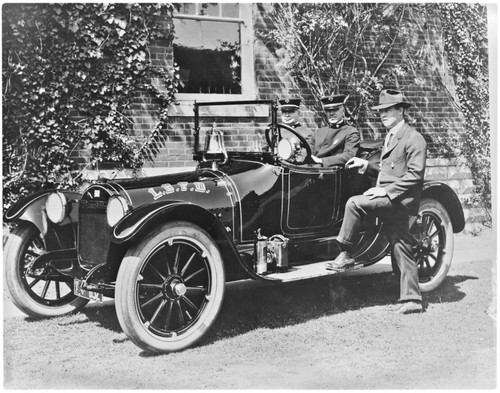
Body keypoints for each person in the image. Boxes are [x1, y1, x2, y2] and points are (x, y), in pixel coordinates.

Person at [326, 89, 427, 315]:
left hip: (400, 200)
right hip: (392, 198)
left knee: (354, 203)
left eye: (388, 110)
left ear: (401, 111)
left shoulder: (414, 138)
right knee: (402, 245)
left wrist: (385, 192)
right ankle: (412, 300)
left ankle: (347, 253)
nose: (383, 115)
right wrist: (365, 166)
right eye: (381, 111)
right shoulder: (392, 136)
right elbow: (388, 170)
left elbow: (414, 176)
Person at [310, 94, 360, 167]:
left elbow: (349, 155)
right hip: (313, 171)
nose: (331, 113)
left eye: (335, 109)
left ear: (343, 109)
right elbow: (308, 152)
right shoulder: (318, 133)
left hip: (333, 173)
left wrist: (321, 161)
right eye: (328, 110)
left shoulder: (351, 132)